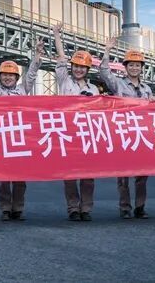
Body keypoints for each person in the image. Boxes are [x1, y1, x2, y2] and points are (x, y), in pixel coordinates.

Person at [0, 35, 43, 221]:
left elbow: (32, 73)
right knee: (3, 178)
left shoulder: (23, 90)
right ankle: (5, 208)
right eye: (4, 74)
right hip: (1, 140)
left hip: (20, 139)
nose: (7, 77)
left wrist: (37, 55)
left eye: (11, 75)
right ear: (0, 77)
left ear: (16, 77)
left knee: (20, 177)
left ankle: (18, 208)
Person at [100, 36, 153, 219]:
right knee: (123, 175)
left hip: (142, 134)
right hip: (123, 133)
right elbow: (104, 73)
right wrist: (107, 50)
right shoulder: (119, 85)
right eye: (131, 65)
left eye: (138, 65)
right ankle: (125, 207)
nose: (134, 68)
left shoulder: (147, 89)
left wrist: (153, 102)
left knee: (142, 175)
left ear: (141, 67)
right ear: (126, 66)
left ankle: (140, 207)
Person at [52, 23, 100, 221]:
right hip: (68, 133)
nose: (78, 69)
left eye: (82, 67)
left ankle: (86, 208)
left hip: (87, 136)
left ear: (87, 69)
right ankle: (73, 208)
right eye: (76, 66)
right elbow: (61, 59)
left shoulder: (94, 90)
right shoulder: (65, 81)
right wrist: (57, 36)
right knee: (70, 175)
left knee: (88, 175)